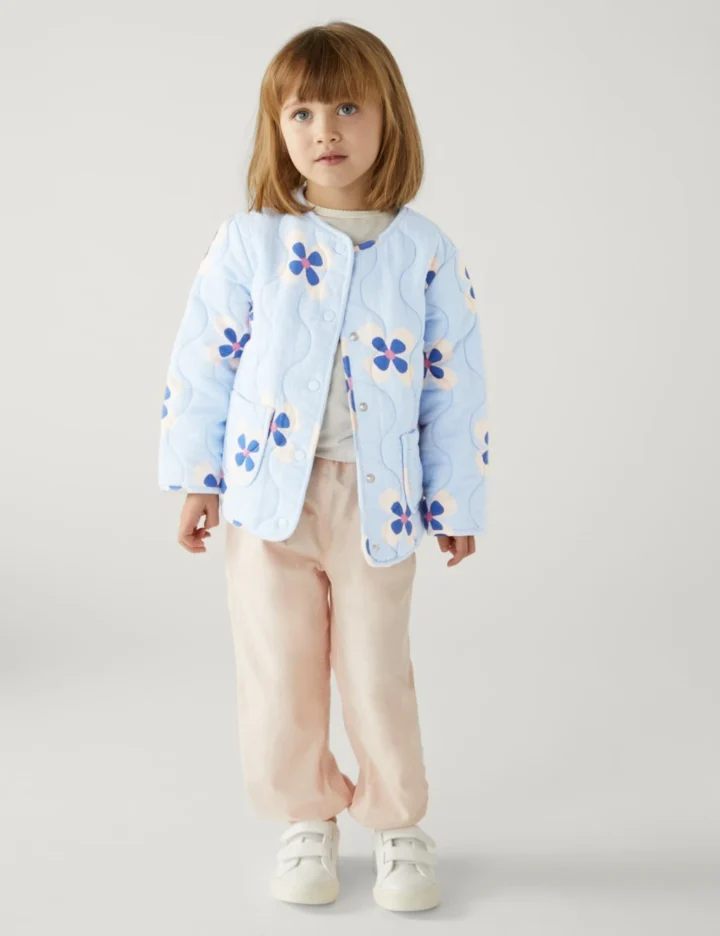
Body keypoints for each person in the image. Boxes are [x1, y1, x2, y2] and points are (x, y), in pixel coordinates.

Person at [158, 20, 489, 913]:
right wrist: (199, 477)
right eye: (301, 113)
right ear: (278, 128)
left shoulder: (423, 251)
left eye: (347, 107)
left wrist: (456, 499)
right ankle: (307, 815)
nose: (325, 130)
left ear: (389, 118)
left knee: (377, 670)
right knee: (279, 670)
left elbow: (452, 382)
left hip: (378, 502)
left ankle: (397, 822)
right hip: (267, 498)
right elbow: (205, 362)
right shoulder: (250, 242)